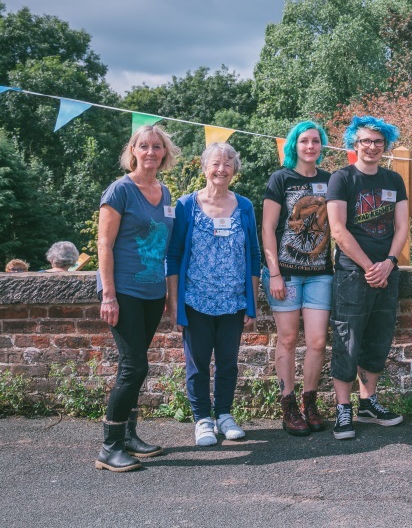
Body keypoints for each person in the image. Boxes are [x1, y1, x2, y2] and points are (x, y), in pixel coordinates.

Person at [94, 125, 179, 472]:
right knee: (134, 365)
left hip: (151, 291)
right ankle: (109, 447)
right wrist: (109, 295)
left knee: (135, 364)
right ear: (133, 150)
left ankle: (129, 437)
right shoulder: (119, 191)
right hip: (123, 290)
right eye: (143, 146)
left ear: (164, 153)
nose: (150, 152)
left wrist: (168, 296)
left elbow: (168, 247)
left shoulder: (166, 192)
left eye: (156, 147)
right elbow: (104, 244)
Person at [166, 143, 260, 446]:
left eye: (228, 164)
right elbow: (174, 255)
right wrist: (175, 305)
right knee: (198, 364)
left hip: (233, 301)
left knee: (229, 362)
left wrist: (252, 302)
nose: (221, 169)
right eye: (216, 164)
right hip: (195, 300)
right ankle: (202, 419)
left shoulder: (244, 206)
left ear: (235, 170)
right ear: (204, 167)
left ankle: (224, 414)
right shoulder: (185, 206)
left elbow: (254, 256)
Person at [325, 115, 409, 440]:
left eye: (377, 142)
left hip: (387, 271)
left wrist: (388, 262)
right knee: (348, 338)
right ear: (354, 144)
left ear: (384, 146)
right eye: (365, 141)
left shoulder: (393, 180)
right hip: (351, 272)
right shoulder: (342, 179)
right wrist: (367, 266)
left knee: (379, 336)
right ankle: (343, 409)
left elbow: (401, 227)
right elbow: (337, 229)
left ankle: (368, 402)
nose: (371, 147)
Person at [262, 120, 335, 436]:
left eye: (316, 141)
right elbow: (266, 229)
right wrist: (275, 272)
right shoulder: (281, 179)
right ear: (294, 145)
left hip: (320, 274)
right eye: (304, 141)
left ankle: (309, 402)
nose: (310, 146)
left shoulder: (330, 180)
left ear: (321, 146)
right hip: (286, 275)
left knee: (318, 341)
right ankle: (288, 404)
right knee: (289, 339)